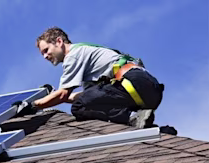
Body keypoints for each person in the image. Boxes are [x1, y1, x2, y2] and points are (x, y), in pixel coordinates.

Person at [14, 27, 164, 128]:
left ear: (59, 41)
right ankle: (148, 125)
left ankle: (133, 118)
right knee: (85, 101)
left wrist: (32, 105)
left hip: (133, 84)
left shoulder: (73, 56)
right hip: (147, 89)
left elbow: (64, 94)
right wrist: (52, 96)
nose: (45, 56)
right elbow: (86, 96)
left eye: (46, 50)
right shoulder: (87, 53)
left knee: (79, 108)